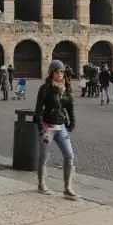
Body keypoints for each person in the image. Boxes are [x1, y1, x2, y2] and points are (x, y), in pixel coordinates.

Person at [34, 59, 79, 200]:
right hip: (48, 128)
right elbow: (38, 110)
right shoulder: (45, 88)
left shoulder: (66, 88)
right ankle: (41, 184)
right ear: (51, 73)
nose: (59, 74)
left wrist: (72, 122)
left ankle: (67, 188)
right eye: (56, 71)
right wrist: (41, 128)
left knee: (69, 156)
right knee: (44, 157)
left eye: (61, 71)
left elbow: (70, 107)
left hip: (61, 127)